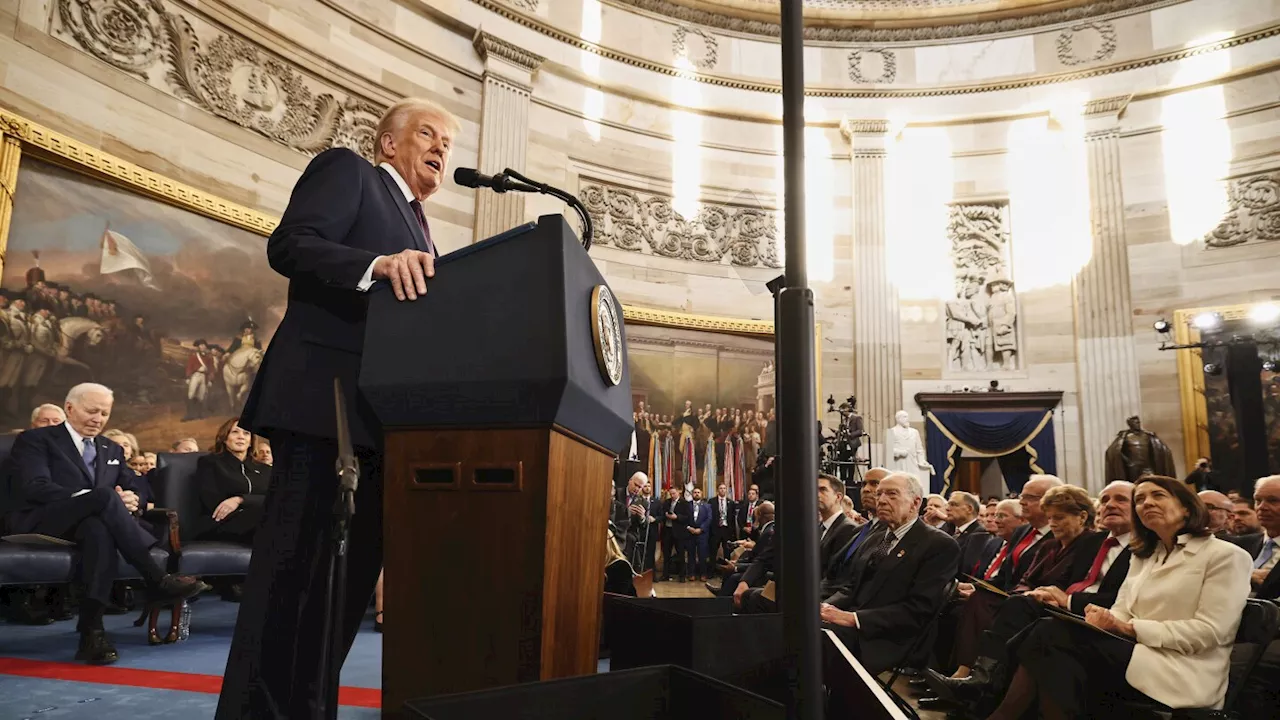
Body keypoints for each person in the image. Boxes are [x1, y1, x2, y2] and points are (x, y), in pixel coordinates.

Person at [218, 98, 456, 720]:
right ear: (387, 144)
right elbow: (291, 245)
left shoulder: (422, 226)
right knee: (295, 583)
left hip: (382, 421)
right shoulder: (351, 172)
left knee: (341, 595)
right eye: (427, 133)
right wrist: (376, 264)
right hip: (325, 408)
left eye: (449, 143)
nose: (440, 148)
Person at [984, 475, 1252, 719]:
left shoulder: (1226, 556)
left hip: (1182, 670)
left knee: (1050, 638)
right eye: (1140, 499)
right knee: (1052, 642)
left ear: (1187, 507)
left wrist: (1127, 627)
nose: (1147, 503)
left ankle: (989, 699)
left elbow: (1211, 632)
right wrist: (1102, 620)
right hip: (1135, 653)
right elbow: (1122, 609)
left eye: (1157, 495)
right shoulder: (1144, 555)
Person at [6, 383, 207, 664]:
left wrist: (133, 497)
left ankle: (92, 631)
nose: (98, 419)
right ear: (70, 408)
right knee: (102, 497)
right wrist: (94, 498)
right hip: (44, 520)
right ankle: (154, 576)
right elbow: (34, 486)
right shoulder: (36, 440)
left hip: (92, 525)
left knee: (98, 530)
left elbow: (137, 484)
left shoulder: (109, 447)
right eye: (92, 411)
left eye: (104, 413)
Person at [818, 472, 960, 673]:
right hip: (854, 625)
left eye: (892, 495)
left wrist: (853, 619)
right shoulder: (876, 537)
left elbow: (918, 610)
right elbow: (852, 587)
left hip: (891, 638)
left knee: (814, 640)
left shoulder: (939, 544)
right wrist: (825, 608)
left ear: (915, 503)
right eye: (879, 495)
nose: (882, 500)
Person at [194, 418, 271, 543]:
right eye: (235, 432)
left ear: (251, 441)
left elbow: (275, 499)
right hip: (220, 523)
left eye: (246, 433)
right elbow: (212, 501)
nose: (241, 437)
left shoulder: (265, 469)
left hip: (257, 521)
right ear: (224, 438)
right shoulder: (210, 463)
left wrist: (240, 500)